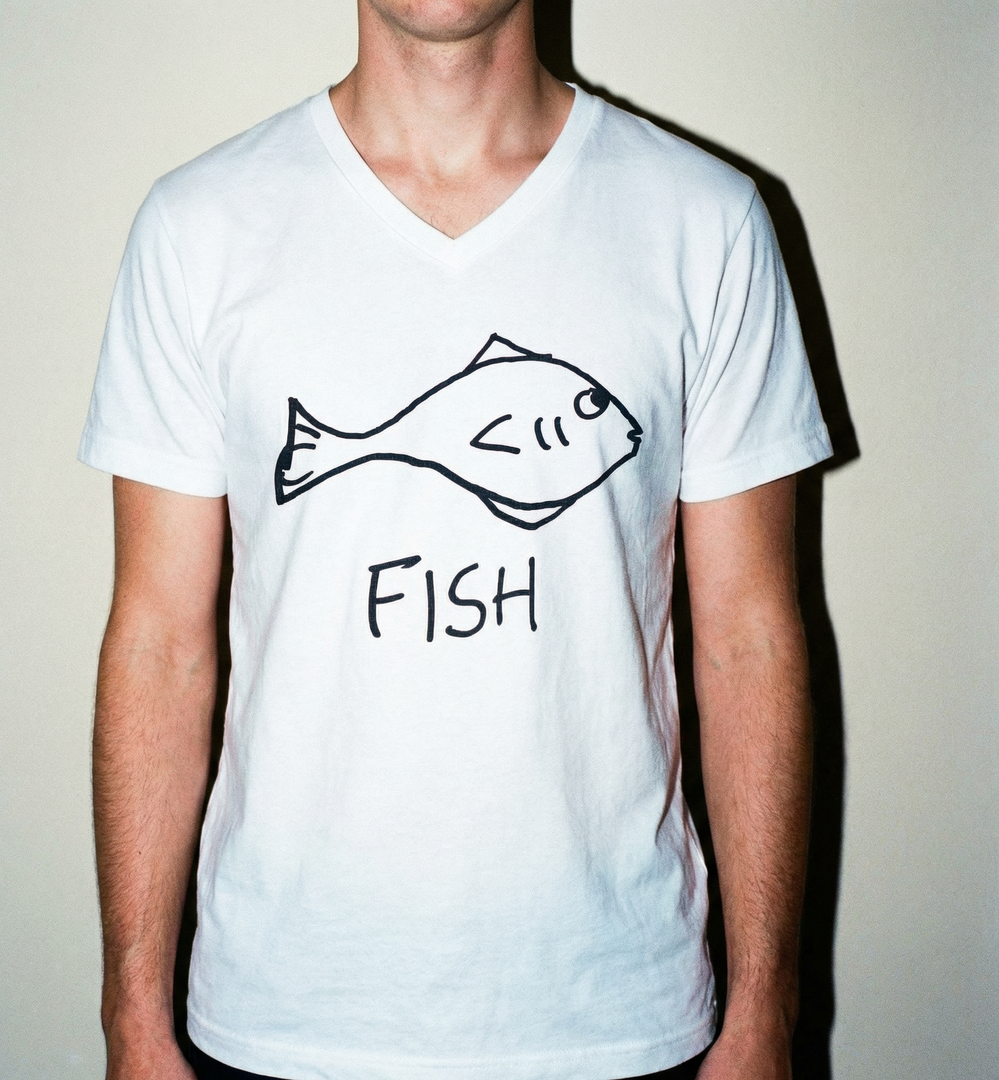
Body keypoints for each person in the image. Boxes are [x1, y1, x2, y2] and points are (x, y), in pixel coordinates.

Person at [79, 2, 832, 1079]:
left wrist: (766, 1007)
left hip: (624, 1017)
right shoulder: (200, 225)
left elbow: (750, 636)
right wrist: (131, 1020)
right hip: (279, 1017)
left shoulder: (702, 218)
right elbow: (158, 642)